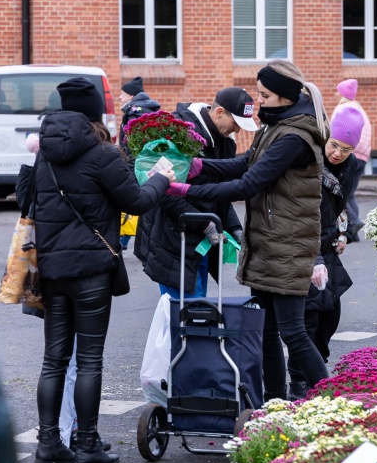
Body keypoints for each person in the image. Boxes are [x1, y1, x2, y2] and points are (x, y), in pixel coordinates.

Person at [163, 59, 331, 399]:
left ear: (285, 97)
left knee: (293, 333)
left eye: (266, 95)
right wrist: (199, 166)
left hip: (287, 244)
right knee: (267, 332)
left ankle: (336, 399)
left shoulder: (294, 137)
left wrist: (187, 190)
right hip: (269, 243)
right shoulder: (276, 126)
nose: (261, 101)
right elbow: (244, 163)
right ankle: (274, 401)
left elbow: (248, 184)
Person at [32, 77, 174, 463]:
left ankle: (48, 443)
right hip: (92, 268)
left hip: (52, 267)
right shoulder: (102, 154)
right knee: (90, 359)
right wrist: (162, 178)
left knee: (53, 359)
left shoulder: (45, 154)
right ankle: (87, 443)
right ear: (96, 113)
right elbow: (137, 201)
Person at [135, 87, 258, 298]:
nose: (237, 131)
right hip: (172, 239)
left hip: (200, 240)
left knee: (195, 312)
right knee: (183, 313)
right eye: (236, 123)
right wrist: (205, 223)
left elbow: (221, 192)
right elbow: (161, 190)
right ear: (219, 112)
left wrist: (234, 227)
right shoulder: (178, 134)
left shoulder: (226, 142)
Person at [287, 107, 364, 400]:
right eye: (334, 145)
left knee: (330, 314)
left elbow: (338, 207)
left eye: (345, 149)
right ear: (326, 138)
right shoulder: (311, 161)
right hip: (304, 245)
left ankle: (316, 369)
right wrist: (315, 254)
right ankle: (299, 381)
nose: (338, 153)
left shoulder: (350, 165)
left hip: (327, 242)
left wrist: (342, 232)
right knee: (308, 317)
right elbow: (302, 211)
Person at [118, 76, 162, 250]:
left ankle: (122, 240)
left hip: (136, 162)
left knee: (131, 197)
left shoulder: (136, 111)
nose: (119, 98)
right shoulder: (144, 109)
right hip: (144, 161)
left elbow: (133, 143)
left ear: (130, 96)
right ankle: (125, 239)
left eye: (122, 94)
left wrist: (129, 162)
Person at [333, 79, 371, 242]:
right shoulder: (358, 108)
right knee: (350, 194)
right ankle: (353, 231)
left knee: (339, 191)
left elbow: (335, 132)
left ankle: (353, 223)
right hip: (362, 155)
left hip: (348, 154)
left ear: (343, 94)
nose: (335, 94)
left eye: (338, 91)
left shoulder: (343, 109)